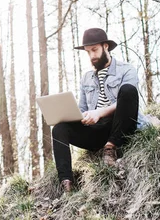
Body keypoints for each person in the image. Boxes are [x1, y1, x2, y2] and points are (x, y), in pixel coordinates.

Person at [52, 28, 148, 193]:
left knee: (127, 90)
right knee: (59, 128)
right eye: (88, 52)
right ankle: (66, 182)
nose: (91, 56)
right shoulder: (86, 78)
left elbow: (127, 101)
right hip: (97, 131)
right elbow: (82, 109)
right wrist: (78, 116)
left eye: (94, 50)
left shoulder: (127, 70)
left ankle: (111, 148)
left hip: (122, 126)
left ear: (106, 47)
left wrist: (99, 112)